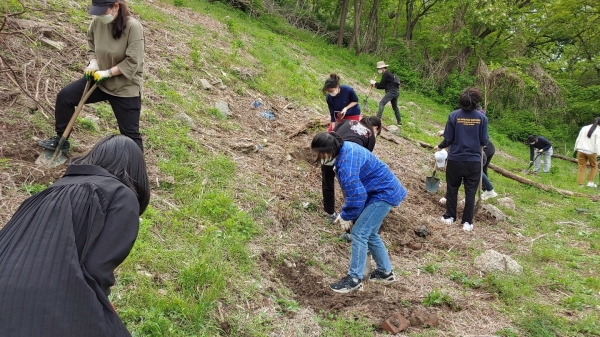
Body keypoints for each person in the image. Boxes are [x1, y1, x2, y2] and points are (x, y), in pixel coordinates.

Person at [0, 135, 150, 337]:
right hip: (46, 300)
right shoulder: (121, 196)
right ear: (136, 171)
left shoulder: (50, 190)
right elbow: (97, 269)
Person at [38, 0, 145, 153]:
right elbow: (91, 44)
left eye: (103, 11)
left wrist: (108, 73)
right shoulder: (97, 21)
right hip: (100, 82)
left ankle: (136, 168)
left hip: (124, 87)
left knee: (130, 135)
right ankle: (61, 141)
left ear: (115, 6)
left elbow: (133, 61)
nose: (99, 15)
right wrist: (93, 63)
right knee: (65, 97)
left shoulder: (133, 27)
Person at [311, 132, 407, 293]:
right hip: (381, 190)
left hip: (383, 193)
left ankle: (354, 279)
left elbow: (357, 195)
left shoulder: (346, 165)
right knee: (370, 233)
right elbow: (356, 192)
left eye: (319, 155)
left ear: (330, 150)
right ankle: (385, 272)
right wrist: (347, 214)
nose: (318, 158)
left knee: (359, 232)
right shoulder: (345, 149)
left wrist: (345, 215)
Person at [434, 87, 488, 232]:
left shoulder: (453, 116)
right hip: (474, 161)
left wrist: (440, 146)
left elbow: (449, 139)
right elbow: (484, 140)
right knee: (470, 191)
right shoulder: (482, 118)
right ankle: (467, 222)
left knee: (452, 188)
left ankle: (450, 216)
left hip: (455, 159)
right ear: (476, 102)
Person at [322, 116, 381, 226]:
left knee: (327, 180)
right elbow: (364, 157)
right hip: (347, 158)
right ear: (376, 128)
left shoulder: (348, 122)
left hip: (328, 150)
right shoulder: (371, 135)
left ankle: (329, 212)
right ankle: (351, 219)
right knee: (351, 187)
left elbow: (332, 134)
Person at [369, 61, 401, 125]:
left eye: (379, 69)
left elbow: (381, 84)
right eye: (378, 69)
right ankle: (399, 122)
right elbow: (383, 86)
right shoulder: (387, 74)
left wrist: (374, 83)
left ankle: (378, 117)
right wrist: (375, 86)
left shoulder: (386, 74)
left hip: (392, 92)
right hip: (396, 92)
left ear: (383, 68)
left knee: (382, 103)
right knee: (395, 107)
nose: (379, 70)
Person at [574, 117, 600, 188]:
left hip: (581, 150)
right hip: (591, 151)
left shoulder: (584, 128)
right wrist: (599, 154)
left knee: (581, 167)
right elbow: (598, 143)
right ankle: (590, 182)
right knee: (594, 166)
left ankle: (580, 184)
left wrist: (575, 149)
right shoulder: (598, 130)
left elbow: (578, 139)